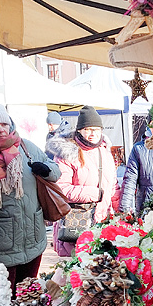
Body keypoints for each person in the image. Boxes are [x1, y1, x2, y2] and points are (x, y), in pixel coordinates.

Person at [0, 103, 61, 289]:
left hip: (32, 239)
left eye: (4, 124)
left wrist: (46, 170)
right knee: (0, 303)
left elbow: (55, 171)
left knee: (28, 300)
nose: (0, 130)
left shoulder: (26, 147)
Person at [46, 106, 118, 257]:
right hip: (77, 224)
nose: (92, 134)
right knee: (75, 275)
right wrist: (94, 193)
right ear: (79, 130)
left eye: (96, 129)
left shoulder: (105, 152)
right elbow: (61, 189)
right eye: (87, 129)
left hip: (102, 223)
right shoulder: (67, 153)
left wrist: (120, 210)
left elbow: (113, 186)